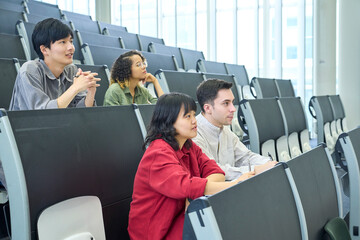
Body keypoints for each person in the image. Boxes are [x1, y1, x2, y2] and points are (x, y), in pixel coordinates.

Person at [128, 92, 254, 240]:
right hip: (156, 231)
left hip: (182, 216)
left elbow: (216, 171)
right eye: (187, 116)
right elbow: (186, 186)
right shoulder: (158, 152)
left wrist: (192, 196)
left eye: (193, 115)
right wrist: (235, 184)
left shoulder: (188, 145)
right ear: (168, 120)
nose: (194, 121)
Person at [193, 79, 276, 181]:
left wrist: (270, 163)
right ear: (208, 108)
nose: (233, 109)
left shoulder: (225, 130)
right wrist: (256, 170)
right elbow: (214, 170)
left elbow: (245, 157)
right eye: (226, 103)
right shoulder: (193, 133)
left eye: (232, 102)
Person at [9, 18, 100, 110]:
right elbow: (42, 113)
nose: (71, 47)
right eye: (63, 42)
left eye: (71, 41)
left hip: (61, 124)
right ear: (44, 50)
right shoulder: (30, 70)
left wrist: (90, 93)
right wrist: (75, 88)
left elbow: (81, 112)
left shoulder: (71, 70)